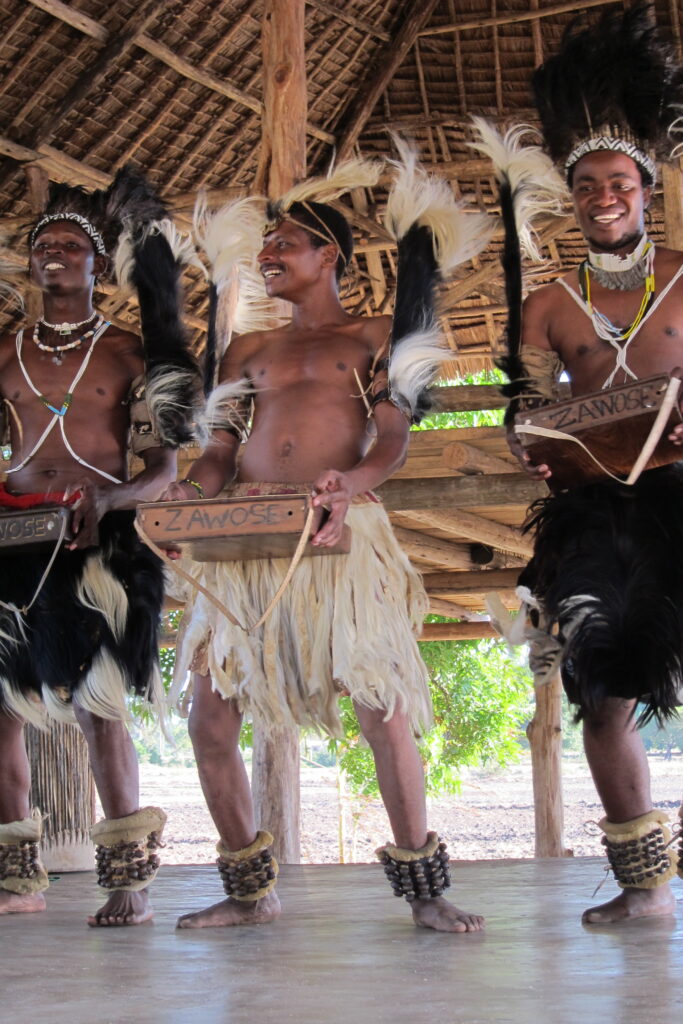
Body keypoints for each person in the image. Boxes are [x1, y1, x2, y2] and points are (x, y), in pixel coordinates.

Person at [163, 155, 492, 933]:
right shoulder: (246, 349)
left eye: (283, 244)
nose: (267, 256)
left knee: (382, 710)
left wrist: (351, 484)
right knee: (209, 720)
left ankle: (424, 890)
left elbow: (391, 440)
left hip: (338, 526)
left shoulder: (374, 335)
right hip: (244, 534)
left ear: (328, 254)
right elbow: (217, 452)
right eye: (264, 247)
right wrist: (189, 497)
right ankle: (249, 890)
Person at [499, 3, 683, 924]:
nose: (602, 197)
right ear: (570, 200)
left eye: (618, 183)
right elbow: (524, 411)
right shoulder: (546, 305)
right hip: (593, 514)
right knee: (602, 691)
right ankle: (644, 885)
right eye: (585, 187)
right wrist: (529, 442)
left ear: (645, 189)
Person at [0, 170, 201, 926]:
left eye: (70, 244)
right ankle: (18, 879)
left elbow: (164, 469)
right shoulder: (6, 352)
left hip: (103, 542)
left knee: (101, 706)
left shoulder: (127, 353)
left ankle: (128, 881)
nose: (54, 253)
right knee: (3, 707)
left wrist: (110, 500)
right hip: (13, 537)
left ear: (98, 265)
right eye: (42, 244)